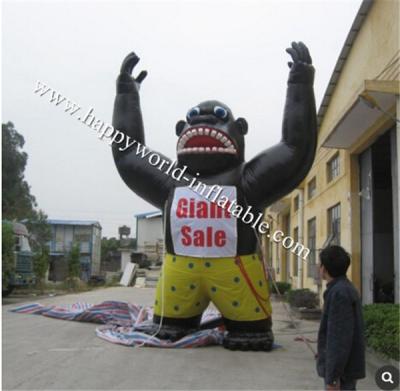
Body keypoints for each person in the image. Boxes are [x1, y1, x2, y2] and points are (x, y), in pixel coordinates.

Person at [316, 245, 366, 390]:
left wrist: (332, 378)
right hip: (343, 370)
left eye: (320, 264)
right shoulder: (341, 288)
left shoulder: (340, 294)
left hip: (342, 374)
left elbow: (339, 339)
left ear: (324, 269)